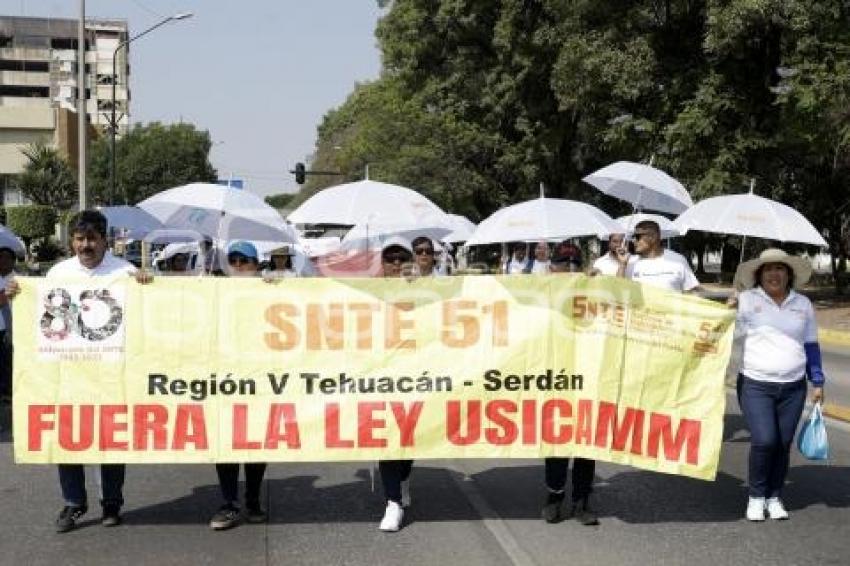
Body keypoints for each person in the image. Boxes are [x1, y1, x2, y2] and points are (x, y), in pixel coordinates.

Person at [7, 210, 148, 532]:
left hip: (113, 373)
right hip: (68, 373)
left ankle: (112, 503)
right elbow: (40, 316)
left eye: (93, 239)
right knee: (67, 438)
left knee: (111, 441)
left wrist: (146, 285)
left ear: (105, 241)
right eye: (80, 239)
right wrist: (19, 294)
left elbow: (144, 316)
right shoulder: (58, 272)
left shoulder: (125, 271)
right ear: (72, 241)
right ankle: (74, 503)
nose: (86, 245)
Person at [729, 248, 825, 522]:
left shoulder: (802, 304)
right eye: (768, 269)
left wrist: (817, 380)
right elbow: (731, 335)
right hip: (756, 384)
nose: (774, 274)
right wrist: (730, 310)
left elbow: (810, 343)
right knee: (764, 440)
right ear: (759, 274)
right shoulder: (747, 300)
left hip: (793, 387)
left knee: (782, 444)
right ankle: (756, 497)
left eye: (780, 269)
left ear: (789, 274)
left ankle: (774, 496)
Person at [209, 240, 269, 530]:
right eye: (233, 261)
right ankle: (229, 502)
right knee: (226, 443)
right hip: (226, 381)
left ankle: (254, 499)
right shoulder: (214, 292)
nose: (239, 266)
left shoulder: (271, 289)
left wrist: (275, 287)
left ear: (256, 264)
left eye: (244, 260)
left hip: (261, 379)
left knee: (257, 443)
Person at [542, 242, 599, 525]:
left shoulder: (595, 294)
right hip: (553, 379)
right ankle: (554, 496)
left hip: (588, 377)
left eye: (575, 264)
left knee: (587, 442)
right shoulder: (538, 294)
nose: (570, 270)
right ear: (552, 267)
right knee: (556, 442)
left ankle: (581, 501)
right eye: (564, 264)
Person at [376, 237, 416, 532]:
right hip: (381, 375)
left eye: (402, 258)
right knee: (387, 437)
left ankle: (402, 480)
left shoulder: (428, 289)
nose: (397, 264)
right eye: (391, 258)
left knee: (411, 437)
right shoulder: (368, 292)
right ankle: (393, 502)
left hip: (418, 374)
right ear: (382, 264)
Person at [615, 220, 699, 292]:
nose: (633, 241)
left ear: (653, 237)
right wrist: (622, 264)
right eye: (633, 237)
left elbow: (691, 292)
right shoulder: (629, 262)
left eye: (637, 237)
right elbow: (617, 291)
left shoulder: (678, 260)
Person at [0, 246, 17, 404]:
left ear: (13, 261)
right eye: (0, 257)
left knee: (9, 361)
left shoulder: (20, 281)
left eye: (6, 257)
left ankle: (10, 392)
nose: (3, 261)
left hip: (13, 328)